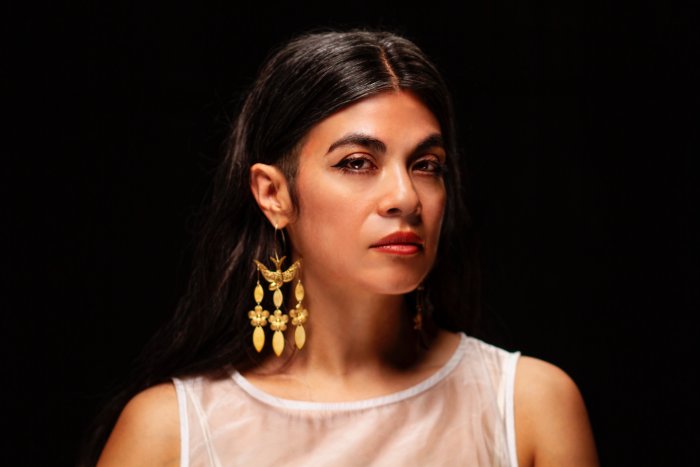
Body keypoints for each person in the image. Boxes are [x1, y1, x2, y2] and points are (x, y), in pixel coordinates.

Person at [87, 29, 598, 466]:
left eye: (427, 165)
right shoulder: (168, 433)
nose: (404, 197)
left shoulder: (530, 407)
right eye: (357, 162)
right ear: (274, 194)